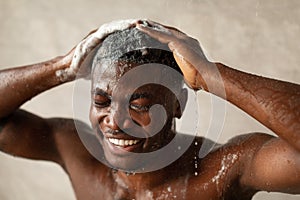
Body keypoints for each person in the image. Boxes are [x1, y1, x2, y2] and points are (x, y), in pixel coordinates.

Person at [0, 19, 299, 200]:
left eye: (140, 106)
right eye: (101, 102)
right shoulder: (76, 150)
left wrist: (211, 75)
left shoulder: (226, 168)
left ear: (178, 105)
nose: (114, 122)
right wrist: (63, 67)